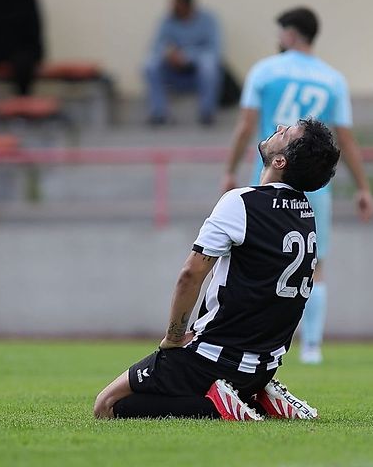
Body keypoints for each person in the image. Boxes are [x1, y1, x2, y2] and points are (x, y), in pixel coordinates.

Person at [94, 118, 340, 421]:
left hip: (211, 358)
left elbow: (191, 275)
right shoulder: (306, 212)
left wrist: (173, 337)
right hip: (263, 366)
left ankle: (223, 407)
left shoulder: (241, 202)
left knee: (107, 405)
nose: (278, 126)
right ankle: (257, 397)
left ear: (280, 160)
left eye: (285, 132)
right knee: (150, 400)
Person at [222, 7, 373, 365]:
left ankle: (250, 338)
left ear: (290, 34)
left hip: (271, 173)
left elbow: (246, 126)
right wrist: (363, 187)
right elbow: (346, 141)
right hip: (313, 183)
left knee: (251, 258)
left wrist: (229, 169)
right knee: (314, 261)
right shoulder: (333, 79)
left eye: (280, 33)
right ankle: (311, 347)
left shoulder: (264, 70)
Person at [143, 0, 222, 126]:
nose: (173, 7)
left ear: (188, 5)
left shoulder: (208, 20)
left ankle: (206, 113)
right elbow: (157, 46)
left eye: (177, 4)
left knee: (209, 63)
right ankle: (159, 113)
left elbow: (214, 50)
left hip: (197, 73)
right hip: (173, 72)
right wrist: (168, 54)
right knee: (150, 65)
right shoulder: (167, 21)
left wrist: (187, 56)